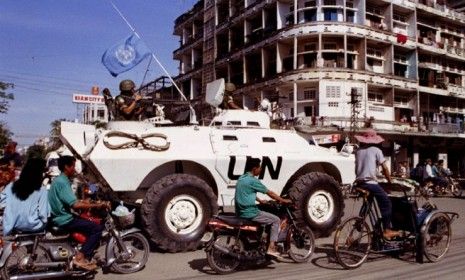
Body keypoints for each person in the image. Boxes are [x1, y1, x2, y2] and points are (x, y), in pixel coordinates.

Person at [48, 156, 109, 271]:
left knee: (85, 221)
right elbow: (75, 205)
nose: (75, 169)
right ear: (66, 167)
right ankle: (80, 257)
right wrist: (97, 205)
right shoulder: (63, 182)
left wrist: (86, 202)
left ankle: (84, 251)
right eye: (73, 166)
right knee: (96, 228)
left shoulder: (60, 180)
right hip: (64, 219)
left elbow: (70, 200)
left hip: (61, 215)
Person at [234, 158, 292, 260]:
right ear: (254, 168)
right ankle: (271, 247)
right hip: (249, 212)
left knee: (264, 214)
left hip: (240, 211)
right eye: (259, 167)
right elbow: (270, 193)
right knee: (276, 220)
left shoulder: (242, 178)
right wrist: (282, 200)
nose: (261, 169)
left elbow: (247, 192)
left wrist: (260, 201)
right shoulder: (253, 181)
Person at [354, 129, 400, 240]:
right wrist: (390, 181)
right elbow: (385, 168)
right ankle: (387, 230)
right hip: (370, 183)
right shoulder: (376, 150)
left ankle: (360, 220)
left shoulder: (358, 151)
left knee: (368, 201)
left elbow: (358, 170)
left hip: (359, 182)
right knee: (387, 203)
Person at [0, 158, 48, 236]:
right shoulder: (42, 190)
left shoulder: (11, 186)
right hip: (34, 226)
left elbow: (2, 204)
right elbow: (43, 215)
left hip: (14, 225)